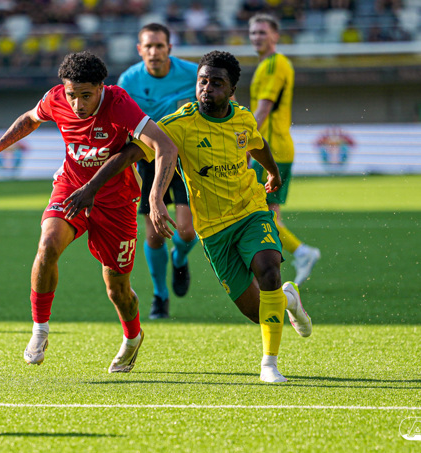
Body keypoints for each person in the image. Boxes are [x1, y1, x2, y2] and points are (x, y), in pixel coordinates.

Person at [69, 51, 312, 383]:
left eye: (216, 83)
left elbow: (257, 144)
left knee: (268, 268)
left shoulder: (243, 118)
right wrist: (91, 187)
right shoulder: (178, 124)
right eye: (202, 81)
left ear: (231, 89)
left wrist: (273, 172)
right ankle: (288, 299)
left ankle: (269, 364)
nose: (207, 88)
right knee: (258, 312)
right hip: (213, 229)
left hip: (251, 211)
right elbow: (130, 153)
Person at [0, 51, 177, 373]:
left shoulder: (119, 103)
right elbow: (31, 118)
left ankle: (133, 337)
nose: (77, 104)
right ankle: (40, 331)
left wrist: (156, 198)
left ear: (101, 88)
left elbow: (166, 146)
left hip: (117, 201)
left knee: (117, 289)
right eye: (71, 95)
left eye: (86, 95)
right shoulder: (56, 98)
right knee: (48, 245)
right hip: (71, 187)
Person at [117, 23, 199, 319]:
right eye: (148, 46)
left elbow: (223, 101)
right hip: (148, 160)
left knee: (187, 232)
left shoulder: (193, 73)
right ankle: (160, 296)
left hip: (186, 157)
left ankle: (179, 258)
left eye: (159, 46)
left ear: (169, 48)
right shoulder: (129, 80)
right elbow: (120, 123)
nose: (154, 51)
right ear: (140, 50)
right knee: (153, 236)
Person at [248, 14, 320, 286]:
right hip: (276, 148)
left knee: (258, 214)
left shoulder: (274, 64)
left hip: (270, 150)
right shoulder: (268, 64)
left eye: (262, 32)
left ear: (275, 36)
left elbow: (263, 109)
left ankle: (300, 253)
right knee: (268, 214)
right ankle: (278, 266)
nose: (257, 37)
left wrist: (244, 144)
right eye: (253, 33)